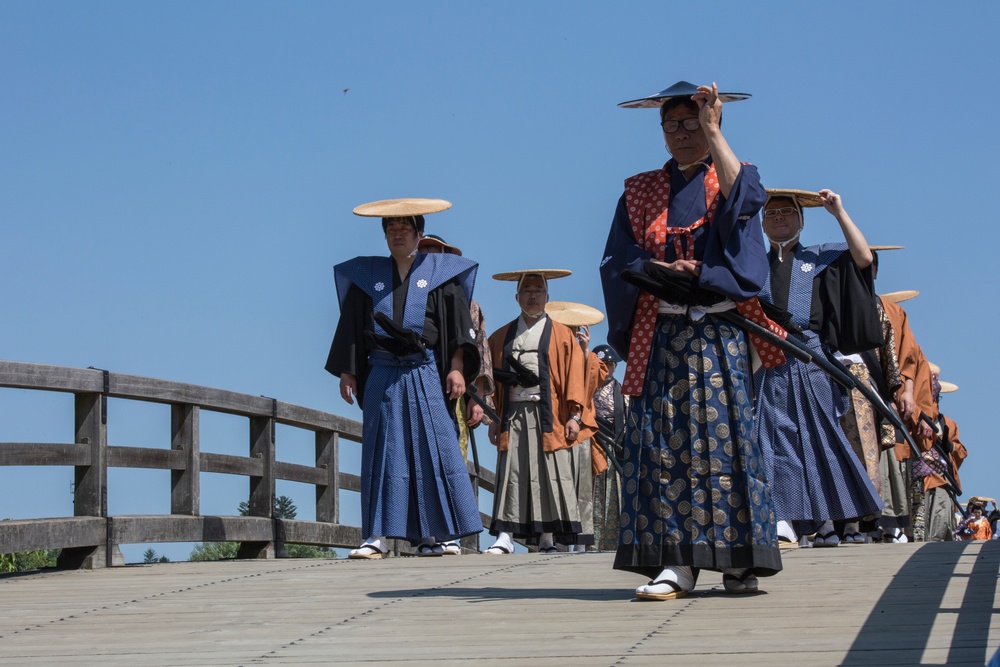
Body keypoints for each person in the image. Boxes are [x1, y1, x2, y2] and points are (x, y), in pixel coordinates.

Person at [601, 81, 781, 600]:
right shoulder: (638, 191)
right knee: (663, 446)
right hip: (662, 333)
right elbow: (617, 259)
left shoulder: (732, 175)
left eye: (691, 123)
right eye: (672, 125)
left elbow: (745, 206)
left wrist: (713, 128)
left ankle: (738, 561)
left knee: (727, 443)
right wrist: (656, 268)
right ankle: (677, 563)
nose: (682, 133)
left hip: (720, 334)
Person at [325, 198, 483, 558]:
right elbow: (351, 326)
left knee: (431, 449)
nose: (398, 235)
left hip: (423, 370)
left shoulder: (441, 275)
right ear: (384, 236)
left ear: (419, 233)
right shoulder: (369, 277)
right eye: (391, 229)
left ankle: (433, 536)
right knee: (382, 451)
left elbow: (458, 327)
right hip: (381, 370)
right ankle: (376, 535)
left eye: (405, 229)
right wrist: (348, 372)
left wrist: (457, 366)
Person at [755, 189, 885, 548]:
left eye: (787, 212)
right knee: (772, 440)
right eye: (771, 214)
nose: (779, 218)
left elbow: (862, 259)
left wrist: (839, 212)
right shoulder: (753, 265)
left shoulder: (822, 256)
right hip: (768, 361)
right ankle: (781, 519)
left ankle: (831, 519)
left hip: (814, 359)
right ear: (762, 223)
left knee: (821, 438)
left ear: (801, 218)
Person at [484, 271, 587, 555]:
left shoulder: (564, 335)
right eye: (526, 290)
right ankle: (504, 536)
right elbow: (490, 377)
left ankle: (547, 537)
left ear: (547, 297)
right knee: (511, 472)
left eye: (538, 290)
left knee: (548, 474)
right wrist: (493, 417)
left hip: (548, 414)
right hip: (512, 412)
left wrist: (574, 416)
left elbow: (575, 377)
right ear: (517, 297)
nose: (532, 295)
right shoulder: (501, 336)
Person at [418, 233, 496, 504]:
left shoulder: (468, 302)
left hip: (456, 392)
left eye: (435, 251)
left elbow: (481, 350)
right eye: (423, 251)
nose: (428, 256)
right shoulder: (408, 297)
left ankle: (453, 523)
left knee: (453, 452)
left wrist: (479, 398)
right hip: (416, 384)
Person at [544, 302, 609, 552]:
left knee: (581, 485)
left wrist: (583, 352)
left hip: (579, 429)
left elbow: (591, 385)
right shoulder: (549, 351)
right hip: (554, 425)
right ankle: (556, 539)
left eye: (573, 328)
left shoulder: (590, 358)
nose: (569, 333)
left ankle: (581, 542)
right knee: (554, 483)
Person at [591, 343, 625, 552]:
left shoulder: (622, 392)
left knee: (614, 495)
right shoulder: (585, 390)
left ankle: (615, 544)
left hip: (615, 447)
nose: (605, 369)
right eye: (600, 364)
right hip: (590, 447)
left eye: (609, 365)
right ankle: (586, 542)